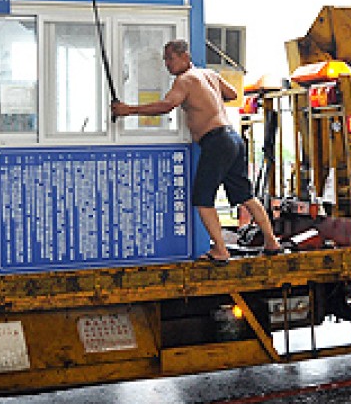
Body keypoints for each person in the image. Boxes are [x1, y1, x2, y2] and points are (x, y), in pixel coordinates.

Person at [111, 39, 281, 263]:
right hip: (233, 139)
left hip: (217, 141)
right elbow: (231, 94)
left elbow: (167, 105)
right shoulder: (208, 74)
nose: (167, 64)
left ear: (184, 57)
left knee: (203, 199)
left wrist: (128, 110)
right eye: (165, 59)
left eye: (170, 58)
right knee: (245, 195)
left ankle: (220, 250)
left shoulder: (185, 80)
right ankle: (272, 242)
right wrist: (207, 99)